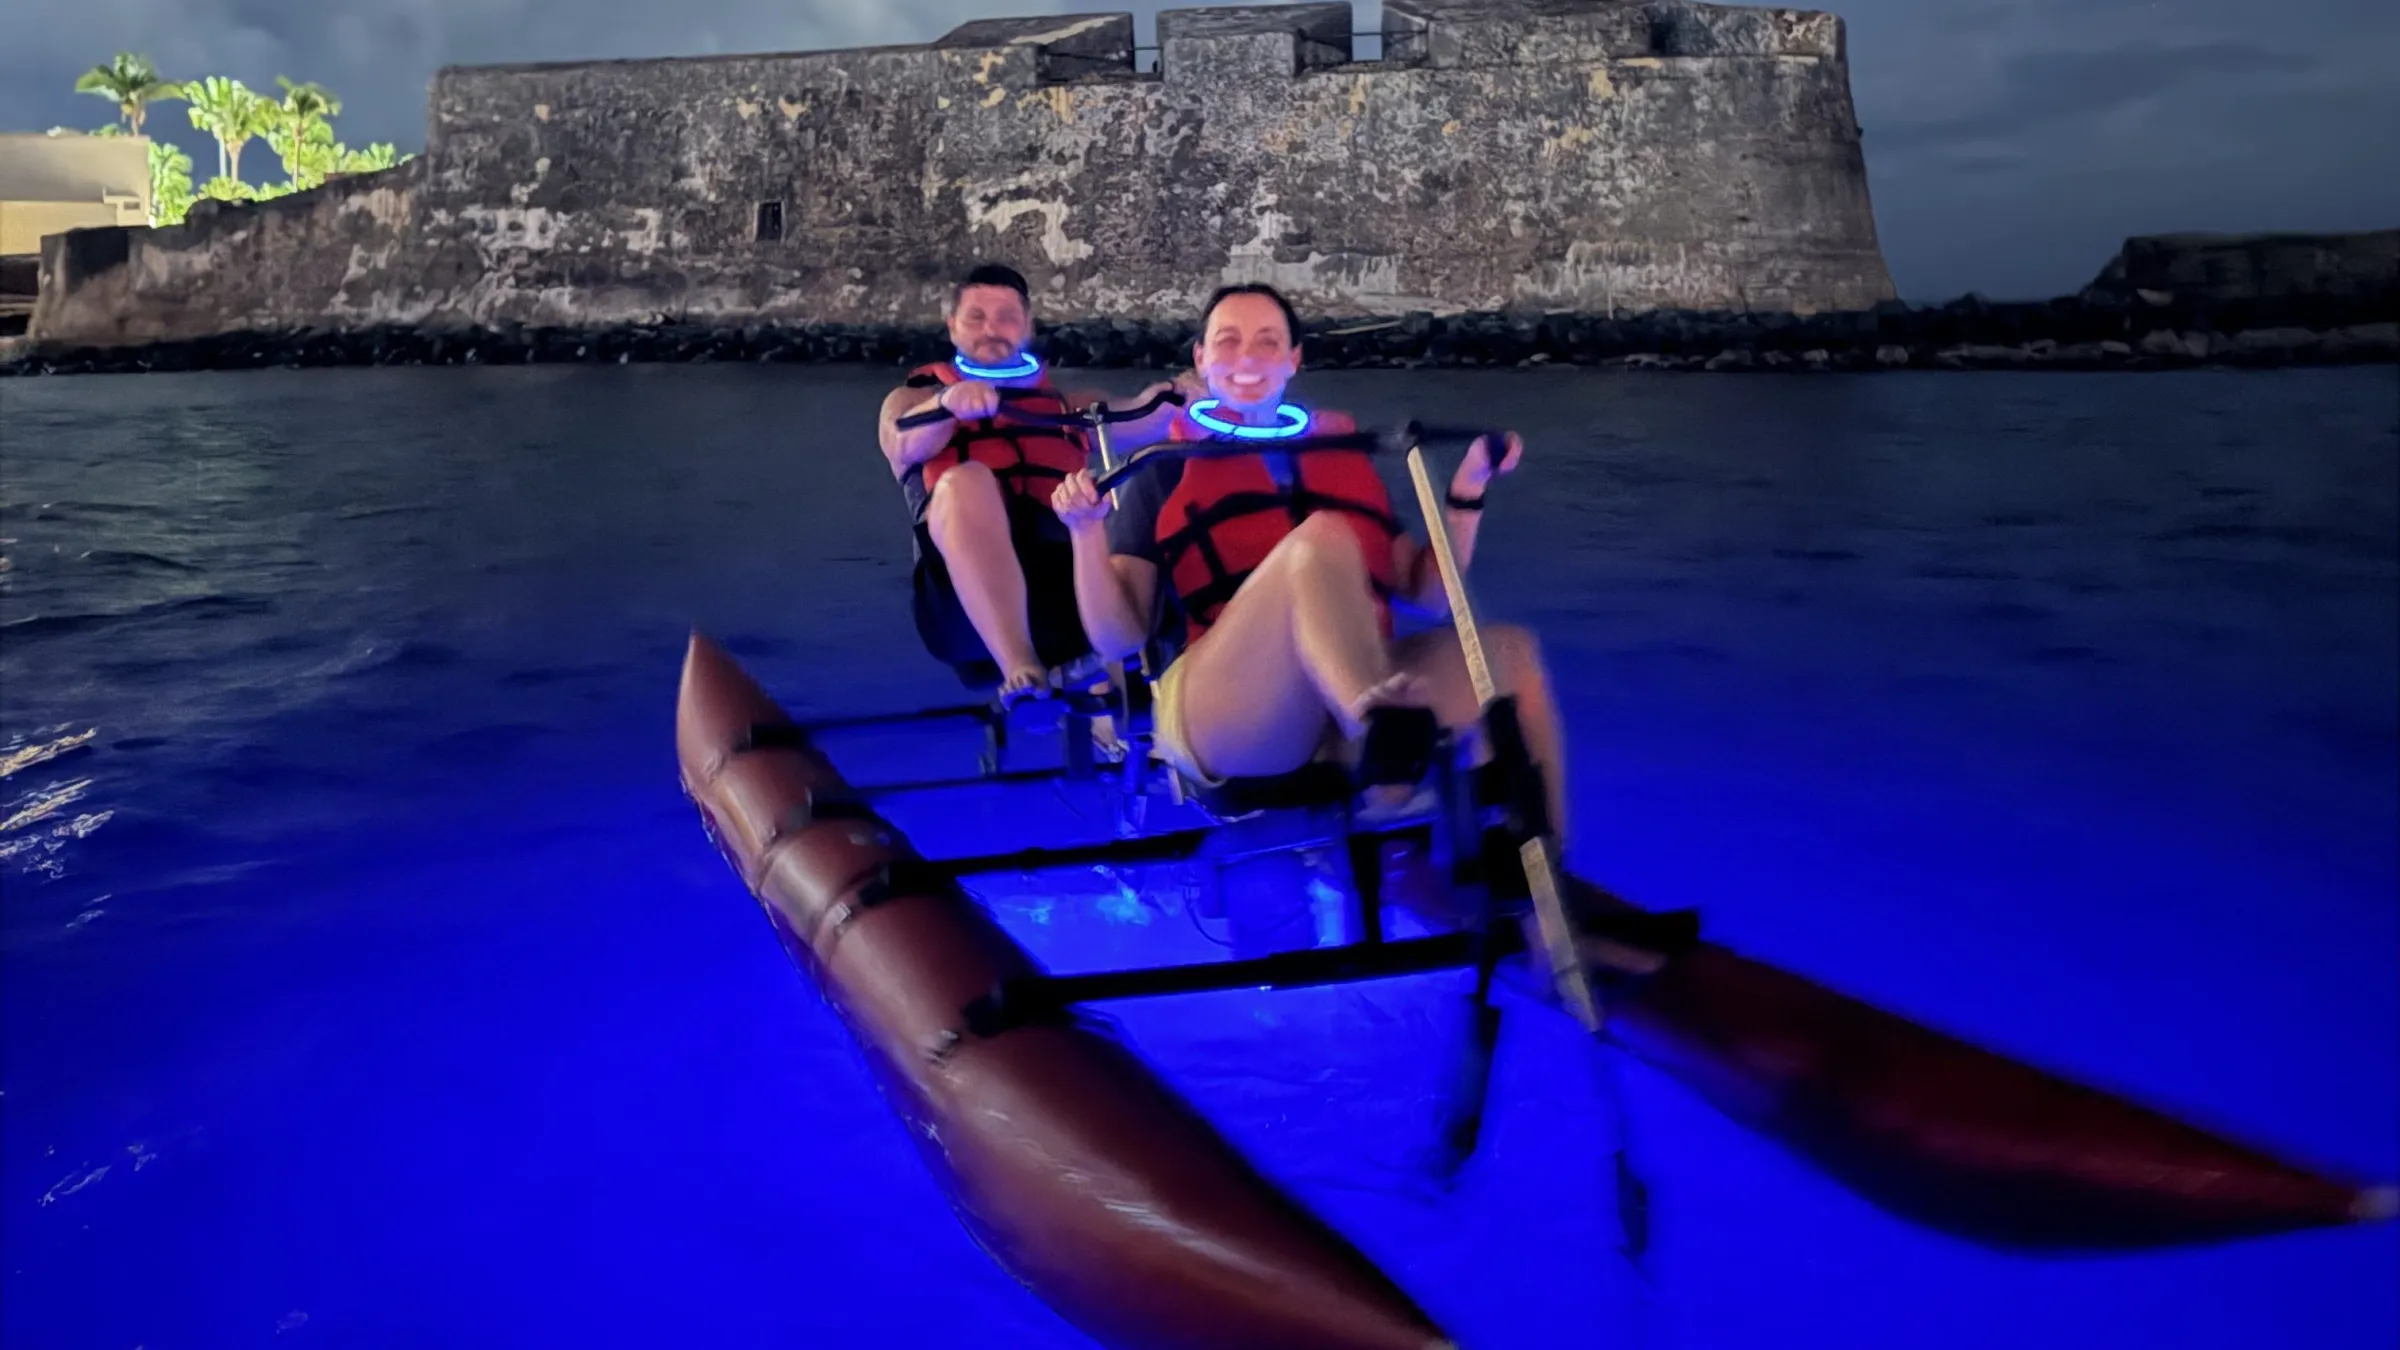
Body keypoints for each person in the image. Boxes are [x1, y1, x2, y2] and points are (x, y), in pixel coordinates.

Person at [1050, 281, 1656, 988]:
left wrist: (1467, 492)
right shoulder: (1163, 470)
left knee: (1510, 655)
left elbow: (1428, 592)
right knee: (1319, 542)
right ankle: (1380, 739)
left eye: (1268, 341)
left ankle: (1549, 921)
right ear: (1201, 359)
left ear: (1295, 359)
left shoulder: (1340, 454)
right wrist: (1085, 537)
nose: (1248, 357)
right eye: (1228, 341)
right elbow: (1119, 638)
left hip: (1360, 699)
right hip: (1232, 720)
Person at [877, 263, 1185, 701]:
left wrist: (1181, 393)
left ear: (1027, 327)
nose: (992, 330)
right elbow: (900, 441)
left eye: (1007, 317)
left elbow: (1144, 414)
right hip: (961, 610)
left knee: (1150, 482)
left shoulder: (1067, 406)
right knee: (966, 480)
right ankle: (1019, 666)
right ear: (953, 327)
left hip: (1066, 593)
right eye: (976, 317)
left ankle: (1140, 714)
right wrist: (948, 403)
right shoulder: (914, 400)